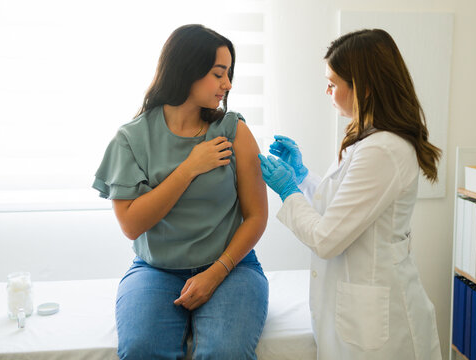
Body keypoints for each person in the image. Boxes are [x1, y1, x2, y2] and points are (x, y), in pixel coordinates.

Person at [258, 29, 443, 359]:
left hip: (377, 323)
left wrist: (288, 191)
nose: (326, 90)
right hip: (359, 308)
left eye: (333, 82)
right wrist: (302, 178)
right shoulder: (370, 140)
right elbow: (344, 208)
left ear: (365, 87)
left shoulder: (383, 150)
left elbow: (327, 239)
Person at [93, 24, 269, 360]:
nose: (228, 84)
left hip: (232, 267)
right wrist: (189, 168)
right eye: (219, 73)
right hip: (156, 269)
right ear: (187, 70)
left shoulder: (234, 131)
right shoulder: (131, 139)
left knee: (225, 353)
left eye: (229, 73)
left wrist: (215, 273)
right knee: (141, 350)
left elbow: (257, 216)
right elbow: (131, 225)